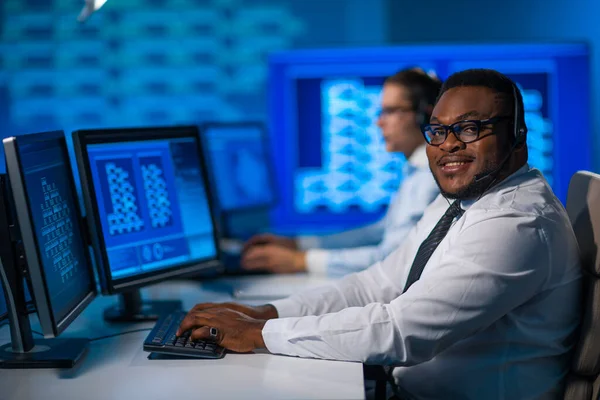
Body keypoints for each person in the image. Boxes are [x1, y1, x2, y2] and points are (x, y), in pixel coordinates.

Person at [177, 69, 582, 399]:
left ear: (518, 137)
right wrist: (270, 313)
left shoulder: (517, 222)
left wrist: (257, 334)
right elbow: (379, 282)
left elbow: (401, 331)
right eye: (438, 131)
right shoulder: (464, 199)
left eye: (471, 128)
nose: (449, 145)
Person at [242, 68, 442, 277]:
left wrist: (300, 261)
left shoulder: (429, 179)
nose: (379, 122)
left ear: (425, 116)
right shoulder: (415, 172)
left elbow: (391, 258)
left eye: (390, 111)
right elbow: (378, 232)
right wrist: (298, 244)